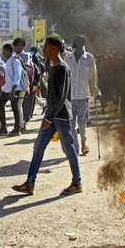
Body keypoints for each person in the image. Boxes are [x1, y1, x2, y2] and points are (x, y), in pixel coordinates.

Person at [12, 36, 82, 196]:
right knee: (38, 146)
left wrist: (48, 118)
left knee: (69, 149)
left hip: (61, 116)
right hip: (52, 114)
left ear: (56, 49)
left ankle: (77, 183)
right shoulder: (51, 66)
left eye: (47, 47)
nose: (44, 49)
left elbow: (61, 97)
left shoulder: (63, 68)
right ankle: (30, 183)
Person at [64, 35, 99, 156]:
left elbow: (93, 77)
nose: (79, 47)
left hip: (84, 96)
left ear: (83, 44)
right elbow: (64, 76)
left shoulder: (89, 58)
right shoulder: (67, 57)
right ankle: (75, 147)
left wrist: (95, 91)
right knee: (71, 124)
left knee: (82, 123)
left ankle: (84, 143)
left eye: (81, 44)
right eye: (77, 44)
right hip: (70, 97)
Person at [0, 44, 23, 137]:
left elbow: (17, 77)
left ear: (10, 51)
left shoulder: (15, 61)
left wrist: (13, 91)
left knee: (15, 108)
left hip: (14, 89)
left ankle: (17, 129)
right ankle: (3, 128)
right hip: (6, 89)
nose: (3, 52)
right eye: (3, 50)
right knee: (0, 105)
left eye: (5, 50)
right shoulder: (7, 61)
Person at [13, 38, 34, 132]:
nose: (18, 46)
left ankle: (23, 124)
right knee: (17, 105)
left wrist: (19, 60)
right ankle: (20, 124)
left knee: (23, 105)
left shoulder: (26, 55)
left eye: (20, 45)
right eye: (17, 45)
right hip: (15, 85)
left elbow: (27, 69)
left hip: (24, 84)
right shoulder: (12, 56)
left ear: (23, 46)